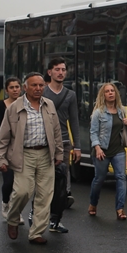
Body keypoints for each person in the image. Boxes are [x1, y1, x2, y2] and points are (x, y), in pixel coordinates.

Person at [0, 73, 63, 244]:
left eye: (41, 85)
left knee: (45, 194)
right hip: (24, 154)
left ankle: (37, 233)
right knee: (23, 191)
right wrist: (1, 159)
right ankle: (13, 218)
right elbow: (3, 137)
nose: (38, 89)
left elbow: (56, 132)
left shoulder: (49, 105)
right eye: (34, 85)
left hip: (46, 153)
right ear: (25, 88)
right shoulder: (14, 108)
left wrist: (59, 153)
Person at [43, 58, 81, 233]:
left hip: (64, 143)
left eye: (63, 69)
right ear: (50, 72)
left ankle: (56, 220)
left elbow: (74, 121)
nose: (61, 72)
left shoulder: (70, 95)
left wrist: (77, 146)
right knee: (43, 180)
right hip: (43, 142)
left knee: (61, 182)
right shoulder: (41, 92)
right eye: (57, 69)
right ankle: (38, 214)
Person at [89, 82, 127, 220]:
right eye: (107, 91)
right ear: (103, 95)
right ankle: (93, 204)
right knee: (99, 179)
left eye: (112, 90)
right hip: (103, 151)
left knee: (121, 177)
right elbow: (93, 132)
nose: (111, 93)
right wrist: (98, 148)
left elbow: (123, 132)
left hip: (118, 150)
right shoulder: (98, 113)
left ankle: (120, 209)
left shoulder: (121, 110)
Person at [0, 77, 22, 215]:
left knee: (21, 185)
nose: (15, 90)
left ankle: (15, 212)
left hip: (22, 150)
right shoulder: (1, 106)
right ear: (7, 90)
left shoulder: (25, 104)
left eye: (17, 87)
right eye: (12, 87)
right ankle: (5, 202)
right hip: (7, 148)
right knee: (8, 181)